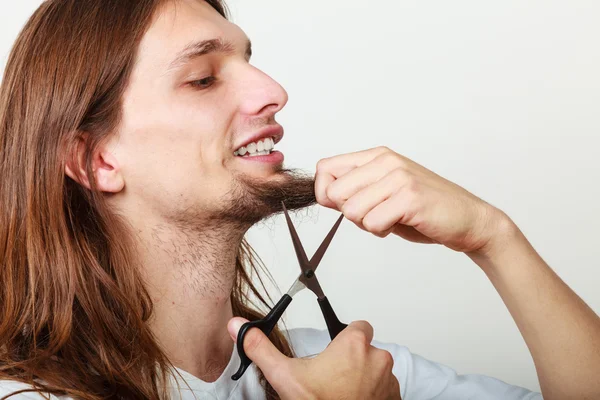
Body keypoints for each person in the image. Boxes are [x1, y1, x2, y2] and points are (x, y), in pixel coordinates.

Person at [0, 0, 598, 399]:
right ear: (97, 160)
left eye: (249, 61)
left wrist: (493, 237)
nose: (273, 92)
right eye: (203, 78)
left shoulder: (343, 368)